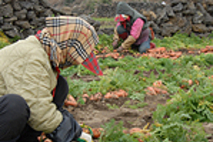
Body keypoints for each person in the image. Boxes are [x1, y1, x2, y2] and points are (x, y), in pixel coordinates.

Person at [0, 16, 103, 142]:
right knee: (15, 106)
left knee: (59, 85)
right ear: (68, 46)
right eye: (74, 58)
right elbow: (36, 108)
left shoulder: (46, 54)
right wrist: (72, 131)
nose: (73, 63)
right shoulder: (30, 56)